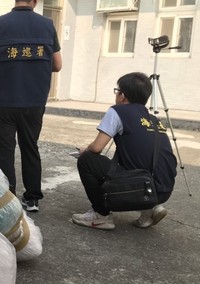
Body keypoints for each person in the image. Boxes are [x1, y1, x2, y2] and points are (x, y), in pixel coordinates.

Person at [0, 0, 62, 212]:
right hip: (34, 103)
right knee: (30, 146)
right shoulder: (47, 26)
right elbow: (57, 64)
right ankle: (32, 198)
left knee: (3, 152)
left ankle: (8, 199)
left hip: (4, 103)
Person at [71, 72, 177, 230]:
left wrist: (85, 149)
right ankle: (149, 209)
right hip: (163, 190)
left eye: (117, 91)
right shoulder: (154, 120)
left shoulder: (117, 111)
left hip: (142, 187)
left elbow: (97, 148)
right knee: (132, 163)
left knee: (87, 160)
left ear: (123, 96)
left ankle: (101, 215)